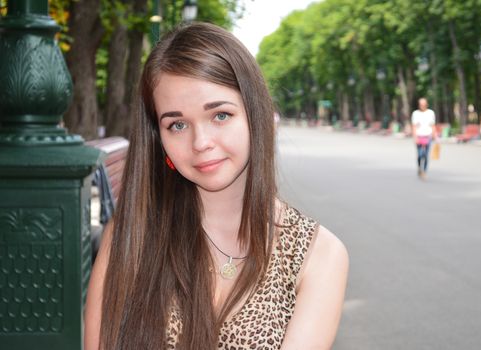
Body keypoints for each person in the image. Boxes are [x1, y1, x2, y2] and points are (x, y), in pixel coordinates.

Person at [84, 22, 349, 350]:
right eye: (177, 124)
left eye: (220, 115)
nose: (201, 142)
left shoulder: (317, 255)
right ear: (159, 139)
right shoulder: (131, 233)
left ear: (255, 113)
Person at [411, 98, 437, 179]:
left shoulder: (430, 113)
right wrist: (415, 137)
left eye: (424, 104)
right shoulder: (415, 113)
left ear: (427, 104)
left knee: (426, 155)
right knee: (419, 155)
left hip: (427, 136)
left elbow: (432, 125)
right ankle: (419, 167)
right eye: (421, 104)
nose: (423, 106)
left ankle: (424, 171)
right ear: (419, 105)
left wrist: (434, 135)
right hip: (419, 136)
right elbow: (414, 126)